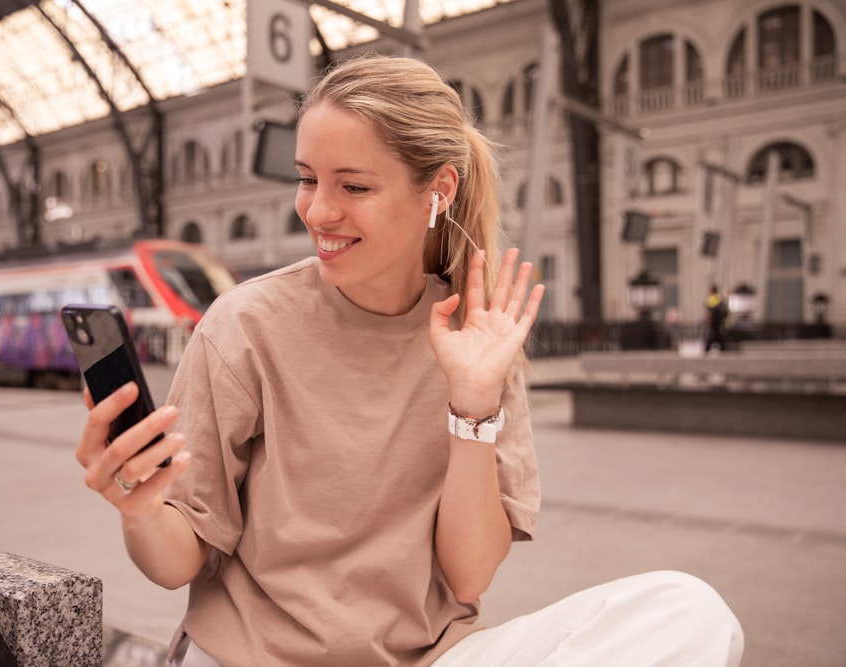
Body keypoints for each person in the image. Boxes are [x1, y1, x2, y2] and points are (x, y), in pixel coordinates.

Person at [76, 54, 743, 666]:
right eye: (308, 179)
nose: (319, 210)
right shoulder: (246, 325)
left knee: (689, 610)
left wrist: (473, 400)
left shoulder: (476, 336)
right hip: (251, 657)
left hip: (426, 659)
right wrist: (141, 506)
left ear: (439, 190)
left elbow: (470, 575)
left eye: (355, 186)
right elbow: (177, 561)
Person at [705, 284, 729, 352]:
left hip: (714, 322)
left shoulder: (711, 299)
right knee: (719, 337)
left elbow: (710, 311)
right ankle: (723, 349)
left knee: (712, 337)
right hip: (720, 322)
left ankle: (706, 351)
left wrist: (709, 318)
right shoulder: (719, 298)